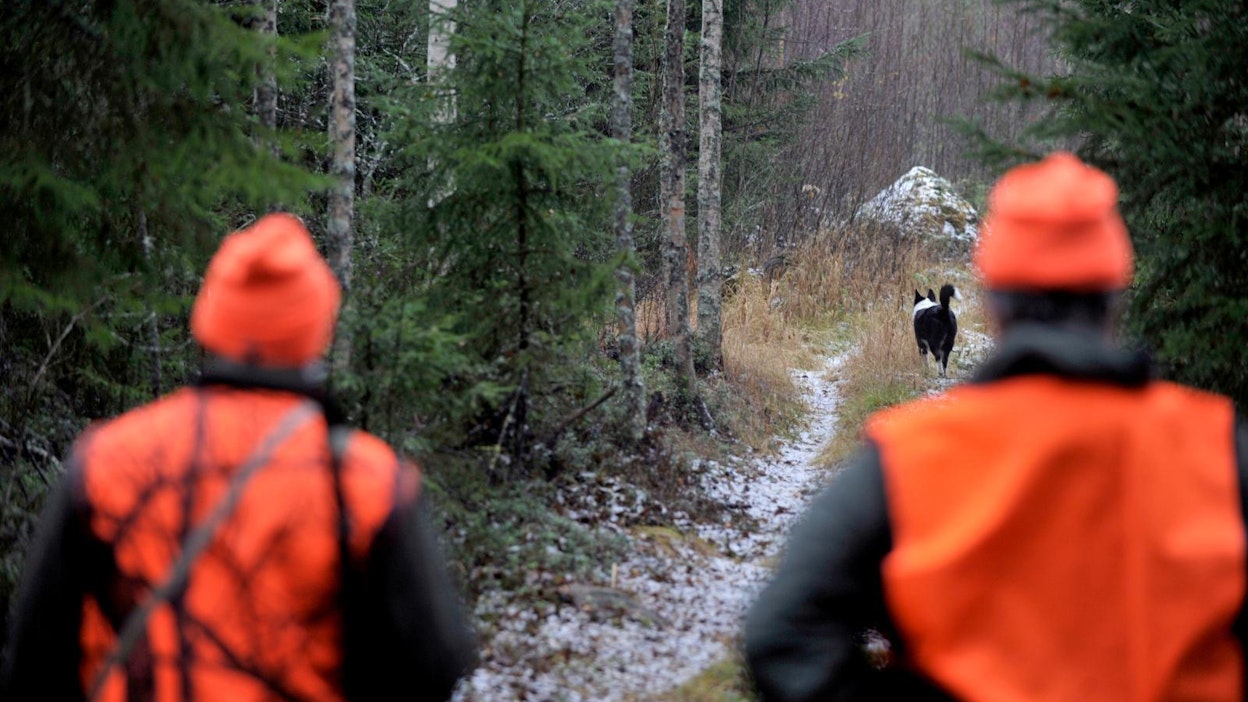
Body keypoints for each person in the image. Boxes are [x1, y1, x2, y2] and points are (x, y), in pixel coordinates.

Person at [743, 152, 1248, 701]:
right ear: (1115, 298)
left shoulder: (911, 457)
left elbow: (783, 636)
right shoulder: (1219, 450)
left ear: (993, 303)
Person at [0, 213, 477, 701]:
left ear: (211, 320)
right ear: (315, 331)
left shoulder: (106, 461)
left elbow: (35, 661)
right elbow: (434, 664)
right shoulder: (368, 483)